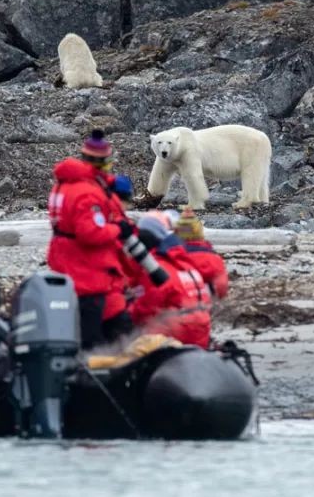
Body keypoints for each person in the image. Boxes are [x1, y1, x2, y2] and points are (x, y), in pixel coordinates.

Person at [47, 130, 135, 349]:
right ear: (103, 162)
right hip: (86, 270)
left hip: (65, 262)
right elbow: (91, 233)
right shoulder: (87, 192)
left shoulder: (64, 185)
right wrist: (117, 229)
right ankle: (92, 375)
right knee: (93, 337)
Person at [128, 214, 212, 348]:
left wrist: (124, 312)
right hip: (202, 332)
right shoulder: (185, 263)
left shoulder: (156, 269)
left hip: (176, 335)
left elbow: (146, 309)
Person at [173, 206, 229, 299]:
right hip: (207, 303)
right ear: (200, 232)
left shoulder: (173, 257)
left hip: (182, 302)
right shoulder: (214, 258)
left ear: (176, 233)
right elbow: (222, 286)